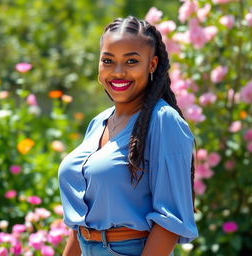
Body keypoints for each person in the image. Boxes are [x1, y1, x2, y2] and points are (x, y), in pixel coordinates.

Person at [58, 16, 198, 256]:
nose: (118, 72)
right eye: (108, 61)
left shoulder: (164, 121)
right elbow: (80, 224)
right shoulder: (98, 123)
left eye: (131, 61)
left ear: (152, 64)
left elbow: (169, 222)